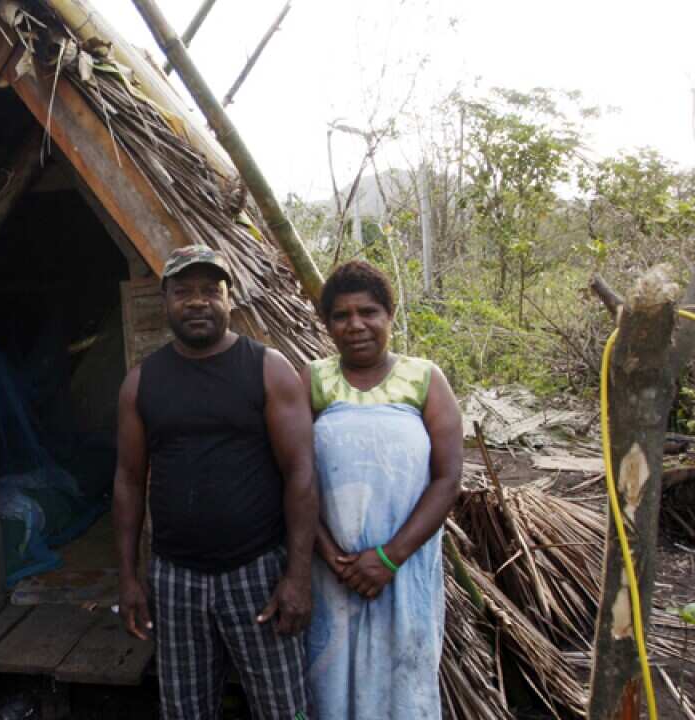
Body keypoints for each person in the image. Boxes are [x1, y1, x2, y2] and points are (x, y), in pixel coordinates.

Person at [113, 244, 317, 720]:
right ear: (164, 303)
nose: (197, 301)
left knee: (283, 707)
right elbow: (126, 481)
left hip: (257, 572)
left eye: (211, 290)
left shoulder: (268, 369)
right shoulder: (142, 383)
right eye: (183, 292)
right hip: (174, 577)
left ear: (231, 299)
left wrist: (298, 577)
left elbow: (302, 475)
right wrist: (127, 577)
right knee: (184, 709)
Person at [304, 260, 463, 719]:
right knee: (331, 682)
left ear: (390, 316)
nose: (355, 325)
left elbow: (447, 479)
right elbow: (295, 476)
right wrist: (332, 554)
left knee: (403, 682)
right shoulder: (314, 380)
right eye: (341, 315)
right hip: (331, 572)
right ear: (328, 324)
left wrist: (389, 557)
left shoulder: (425, 379)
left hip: (404, 569)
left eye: (369, 312)